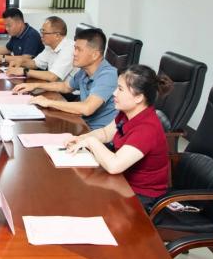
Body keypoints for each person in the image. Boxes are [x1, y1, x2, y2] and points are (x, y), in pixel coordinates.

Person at [65, 65, 173, 208]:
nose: (114, 93)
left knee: (81, 200)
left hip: (140, 197)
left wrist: (90, 142)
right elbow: (106, 133)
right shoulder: (127, 113)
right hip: (122, 182)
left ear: (138, 97)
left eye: (120, 89)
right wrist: (81, 139)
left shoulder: (147, 129)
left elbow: (114, 166)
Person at [12, 28, 117, 130]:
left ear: (95, 55)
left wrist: (48, 102)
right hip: (83, 124)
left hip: (97, 133)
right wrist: (35, 85)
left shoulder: (108, 75)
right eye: (75, 48)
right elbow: (65, 86)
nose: (74, 53)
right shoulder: (85, 70)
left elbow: (87, 108)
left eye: (79, 50)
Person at [5, 16, 77, 82]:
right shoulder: (50, 46)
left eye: (44, 32)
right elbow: (35, 63)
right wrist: (21, 62)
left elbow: (52, 76)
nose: (41, 35)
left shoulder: (69, 49)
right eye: (41, 31)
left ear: (57, 35)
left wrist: (24, 71)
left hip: (67, 91)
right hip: (54, 86)